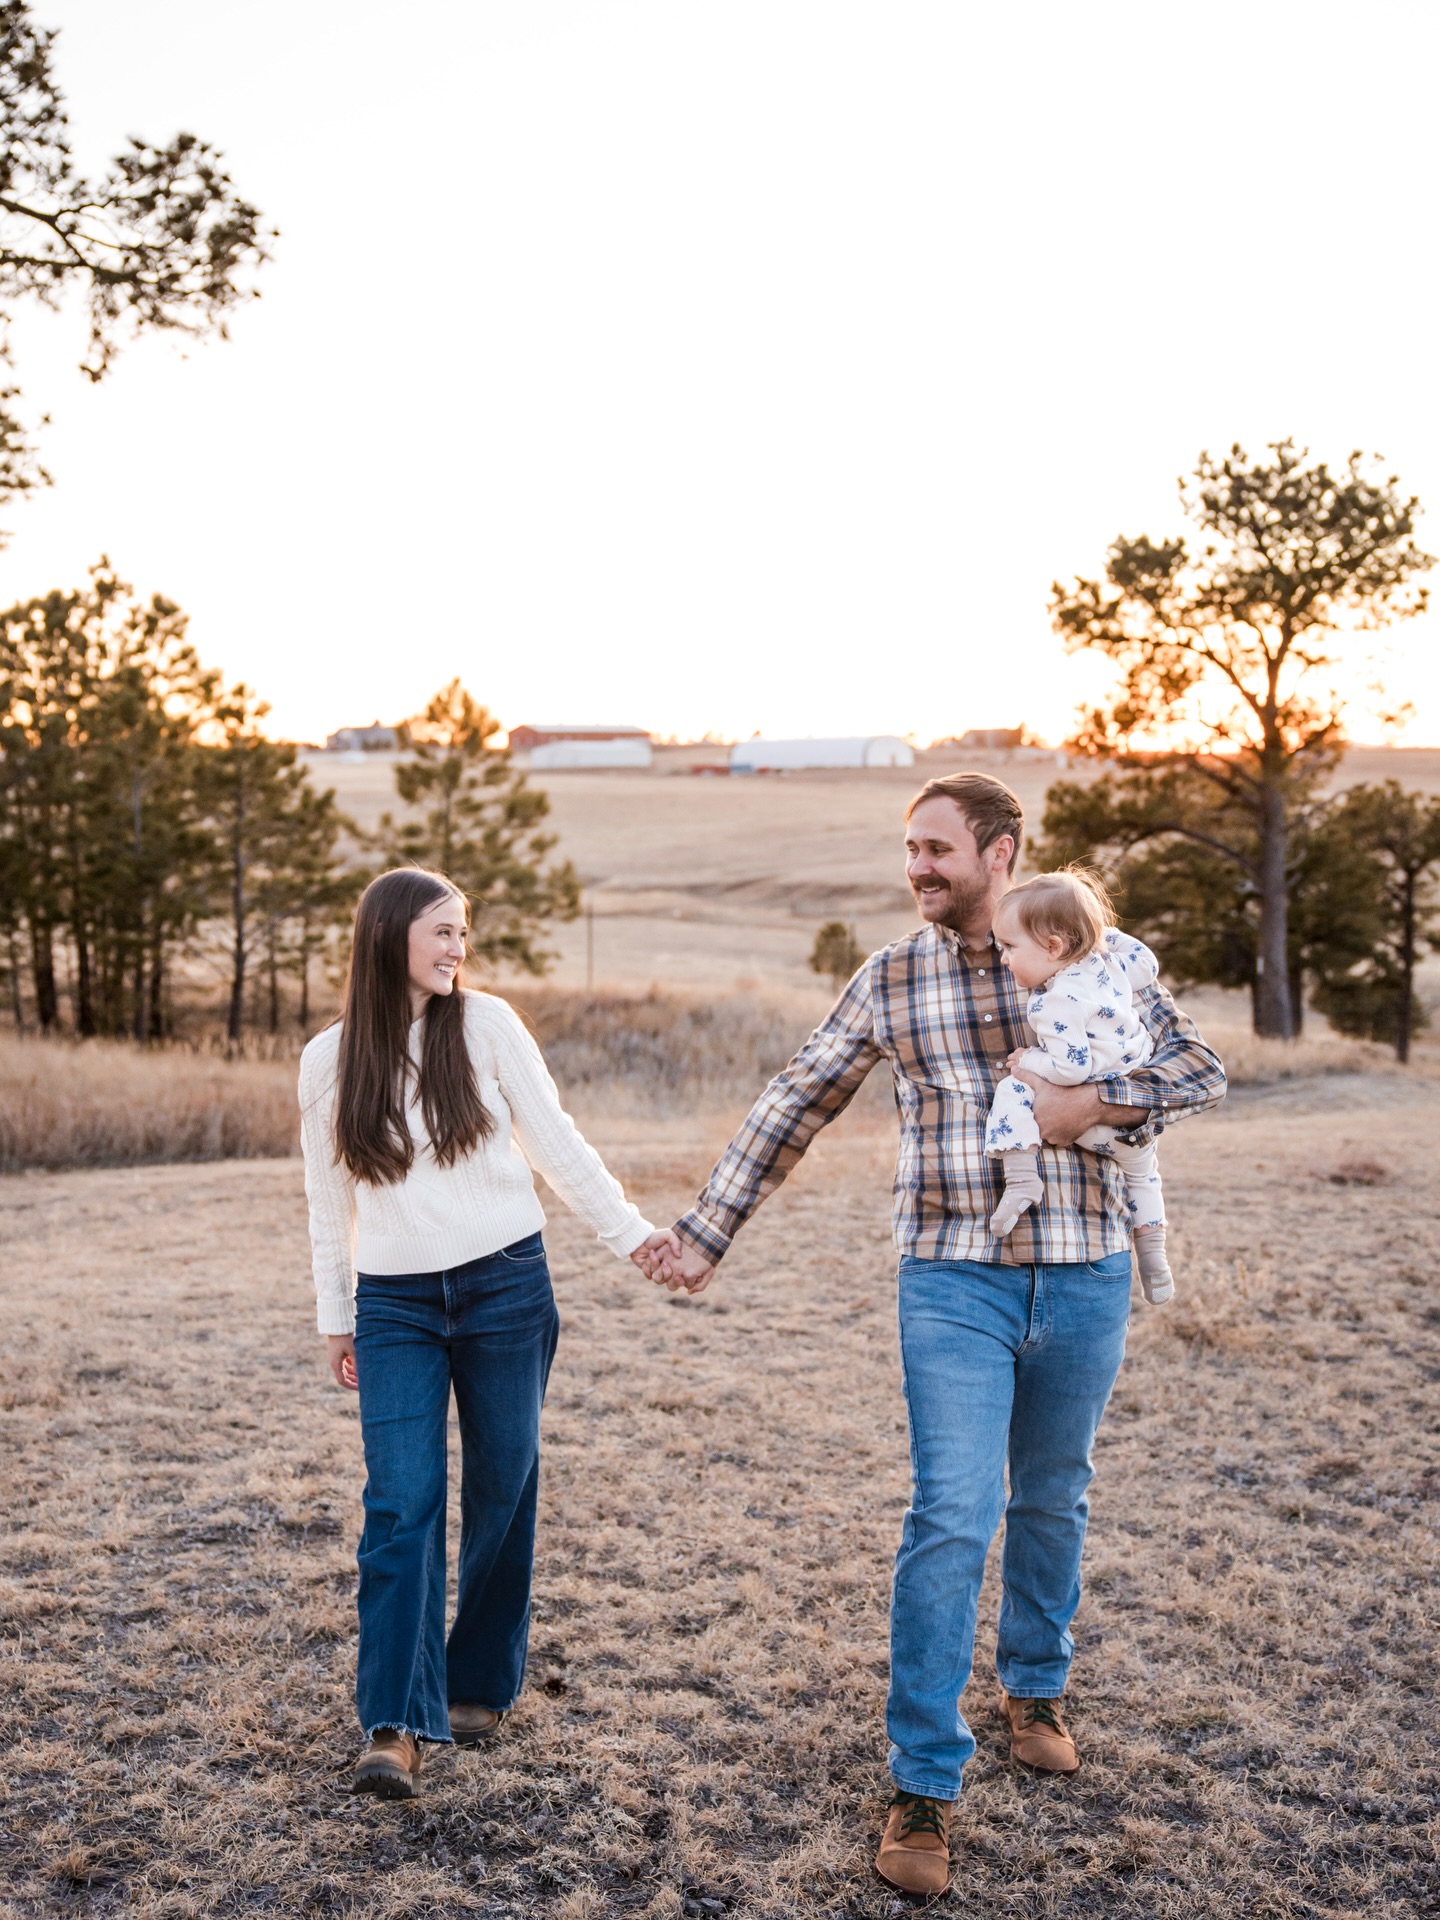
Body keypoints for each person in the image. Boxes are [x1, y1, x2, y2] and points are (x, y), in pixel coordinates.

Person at [650, 773, 1225, 1896]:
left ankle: (1035, 1687)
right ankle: (922, 1782)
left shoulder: (1101, 954)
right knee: (952, 1512)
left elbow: (1199, 1070)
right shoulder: (894, 976)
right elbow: (794, 1099)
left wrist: (1092, 1108)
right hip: (950, 1281)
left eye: (936, 850)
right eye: (908, 849)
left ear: (1001, 852)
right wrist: (707, 1233)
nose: (916, 869)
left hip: (1086, 1272)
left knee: (1054, 1493)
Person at [299, 866, 677, 1800]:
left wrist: (633, 1237)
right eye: (441, 932)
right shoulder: (328, 1060)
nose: (458, 949)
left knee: (504, 1484)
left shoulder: (490, 1026)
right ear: (390, 937)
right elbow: (324, 1201)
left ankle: (476, 1681)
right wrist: (335, 1315)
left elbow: (557, 1143)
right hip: (394, 1307)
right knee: (401, 1502)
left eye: (464, 932)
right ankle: (396, 1721)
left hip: (506, 1285)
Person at [984, 869, 1175, 1305]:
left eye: (1010, 947)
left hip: (1089, 1121)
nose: (1003, 958)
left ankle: (1021, 1178)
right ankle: (1153, 1260)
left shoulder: (1057, 1000)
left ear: (1054, 946)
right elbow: (1149, 963)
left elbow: (1071, 1070)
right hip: (1134, 1117)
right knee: (1144, 1179)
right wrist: (1097, 931)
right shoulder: (1109, 965)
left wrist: (1026, 1060)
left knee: (1012, 1090)